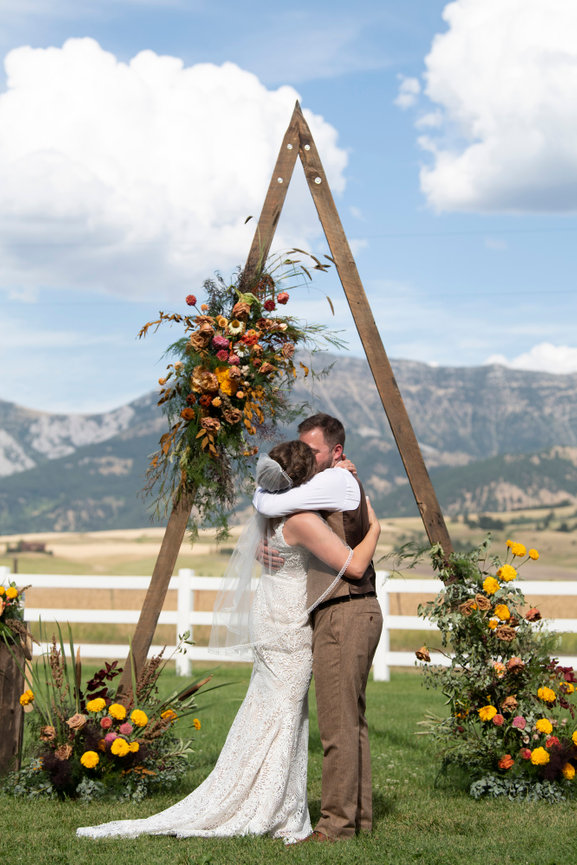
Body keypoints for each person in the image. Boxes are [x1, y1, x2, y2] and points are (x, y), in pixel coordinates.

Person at [77, 440, 380, 844]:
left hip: (272, 614)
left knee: (271, 708)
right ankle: (271, 804)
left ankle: (267, 794)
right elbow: (355, 565)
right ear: (306, 479)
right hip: (289, 626)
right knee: (288, 712)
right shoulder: (304, 519)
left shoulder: (273, 512)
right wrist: (375, 525)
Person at [253, 413, 383, 842]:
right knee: (352, 721)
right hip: (354, 610)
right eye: (302, 452)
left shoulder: (334, 485)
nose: (308, 460)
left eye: (314, 452)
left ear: (337, 452)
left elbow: (273, 503)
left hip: (344, 611)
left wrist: (376, 528)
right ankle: (358, 818)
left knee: (337, 726)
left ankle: (335, 826)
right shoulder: (328, 487)